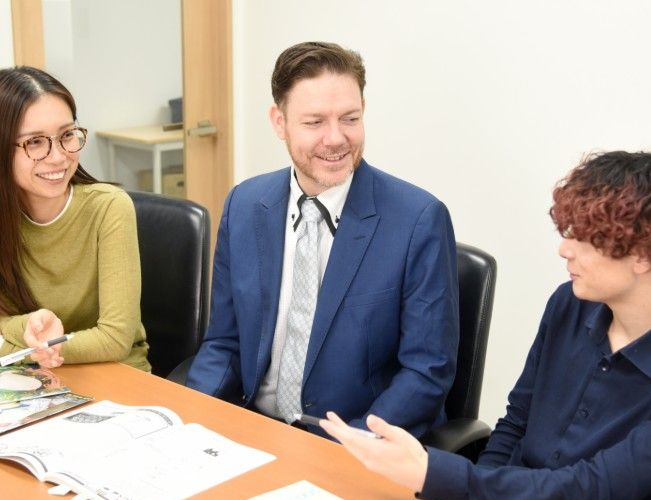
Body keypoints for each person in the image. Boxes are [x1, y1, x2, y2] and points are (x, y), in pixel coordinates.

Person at [320, 151, 651, 500]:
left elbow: (590, 493)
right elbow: (516, 423)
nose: (565, 249)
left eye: (585, 238)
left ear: (643, 255)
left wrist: (438, 476)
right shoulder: (571, 304)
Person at [186, 42, 459, 439]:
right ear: (279, 122)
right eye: (314, 122)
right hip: (255, 432)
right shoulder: (245, 205)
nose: (336, 139)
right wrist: (195, 417)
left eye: (350, 118)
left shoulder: (418, 221)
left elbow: (426, 373)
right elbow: (225, 344)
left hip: (356, 443)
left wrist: (345, 447)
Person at [0, 66, 150, 371]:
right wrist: (28, 328)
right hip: (31, 379)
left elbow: (115, 338)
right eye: (34, 142)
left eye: (67, 135)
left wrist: (0, 348)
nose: (58, 156)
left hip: (114, 373)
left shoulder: (110, 208)